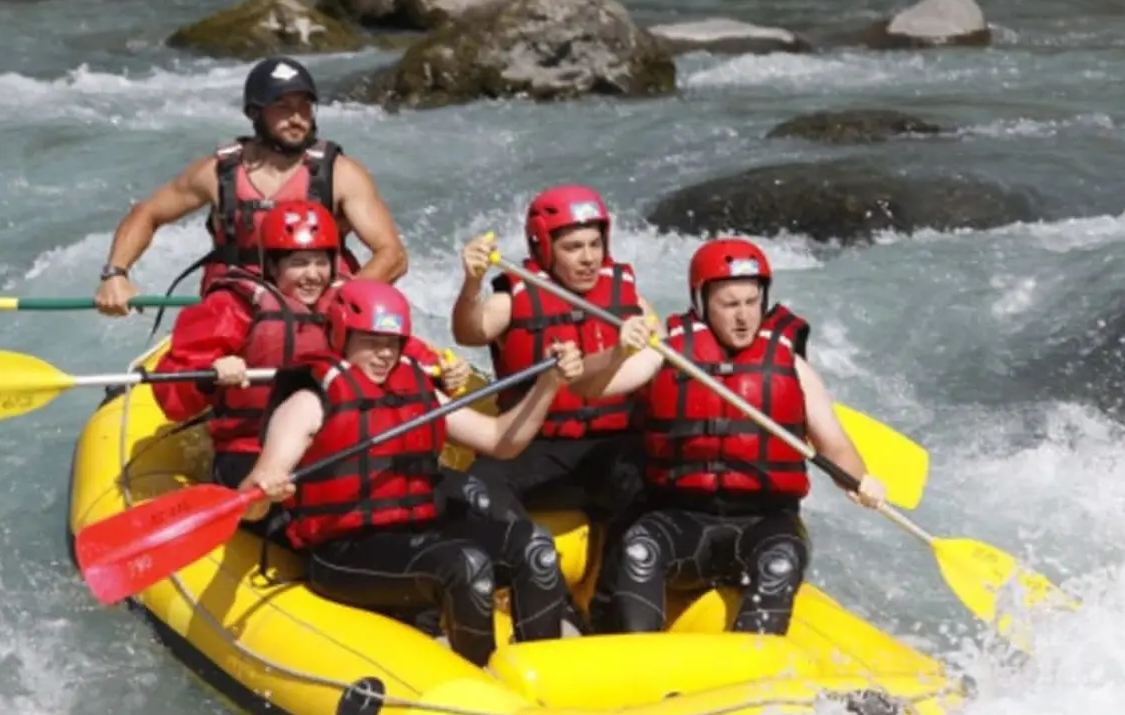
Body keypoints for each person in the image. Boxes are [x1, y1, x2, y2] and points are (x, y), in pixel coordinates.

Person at [239, 279, 584, 668]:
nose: (385, 354)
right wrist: (267, 490)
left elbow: (500, 439)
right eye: (371, 340)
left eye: (393, 342)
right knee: (465, 565)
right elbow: (252, 497)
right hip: (342, 551)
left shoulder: (415, 388)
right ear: (342, 333)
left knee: (535, 548)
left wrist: (548, 385)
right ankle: (480, 680)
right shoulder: (308, 402)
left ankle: (545, 671)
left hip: (418, 536)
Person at [574, 238, 887, 637]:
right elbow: (590, 389)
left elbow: (836, 448)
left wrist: (863, 482)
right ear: (703, 305)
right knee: (638, 549)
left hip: (765, 524)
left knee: (780, 563)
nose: (743, 317)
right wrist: (619, 351)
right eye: (730, 304)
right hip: (683, 519)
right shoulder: (666, 352)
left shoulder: (790, 366)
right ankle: (640, 664)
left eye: (752, 302)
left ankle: (759, 674)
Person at [150, 201, 469, 490]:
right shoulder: (232, 307)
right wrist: (209, 374)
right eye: (299, 263)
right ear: (273, 267)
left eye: (321, 263)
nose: (312, 275)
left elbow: (409, 358)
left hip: (337, 447)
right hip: (253, 453)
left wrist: (445, 376)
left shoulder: (350, 303)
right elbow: (172, 396)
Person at [94, 55, 408, 317]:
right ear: (255, 113)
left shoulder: (342, 174)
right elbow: (147, 214)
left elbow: (392, 255)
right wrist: (115, 274)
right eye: (283, 107)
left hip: (317, 306)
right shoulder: (217, 172)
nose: (297, 118)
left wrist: (341, 299)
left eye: (304, 106)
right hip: (238, 306)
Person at [450, 184, 654, 533]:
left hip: (612, 448)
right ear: (543, 248)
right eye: (573, 248)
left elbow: (664, 352)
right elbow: (469, 332)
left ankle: (619, 580)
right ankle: (527, 562)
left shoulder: (628, 296)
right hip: (536, 447)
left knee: (654, 479)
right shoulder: (513, 297)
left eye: (595, 244)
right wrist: (472, 283)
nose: (589, 258)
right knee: (480, 487)